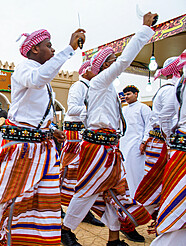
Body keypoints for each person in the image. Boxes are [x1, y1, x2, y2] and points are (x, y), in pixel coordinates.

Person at [0, 28, 84, 246]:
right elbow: (37, 80)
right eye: (49, 46)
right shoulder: (25, 69)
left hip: (42, 147)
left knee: (43, 196)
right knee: (8, 194)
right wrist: (69, 50)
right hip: (21, 147)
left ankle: (32, 238)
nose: (53, 49)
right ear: (34, 49)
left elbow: (36, 113)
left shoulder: (43, 76)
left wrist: (51, 130)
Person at [61, 13, 156, 246]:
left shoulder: (108, 89)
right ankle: (66, 230)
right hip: (98, 147)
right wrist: (144, 30)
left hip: (109, 148)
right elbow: (125, 60)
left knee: (113, 193)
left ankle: (113, 238)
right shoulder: (100, 82)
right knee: (87, 191)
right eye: (112, 60)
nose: (116, 63)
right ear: (105, 65)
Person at [60, 60, 105, 227]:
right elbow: (71, 109)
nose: (98, 72)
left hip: (85, 133)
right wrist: (95, 109)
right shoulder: (79, 86)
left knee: (81, 173)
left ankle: (81, 211)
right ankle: (57, 207)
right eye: (95, 70)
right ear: (86, 71)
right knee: (67, 171)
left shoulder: (92, 87)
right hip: (74, 131)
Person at [150, 51, 186, 245]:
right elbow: (164, 117)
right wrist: (170, 138)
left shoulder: (175, 86)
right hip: (174, 145)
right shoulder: (171, 89)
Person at [117, 85, 152, 242]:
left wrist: (144, 141)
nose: (127, 96)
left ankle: (139, 200)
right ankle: (130, 199)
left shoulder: (143, 108)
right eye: (125, 94)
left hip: (137, 145)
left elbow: (149, 126)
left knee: (137, 173)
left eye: (129, 94)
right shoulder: (124, 109)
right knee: (126, 174)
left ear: (136, 94)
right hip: (124, 144)